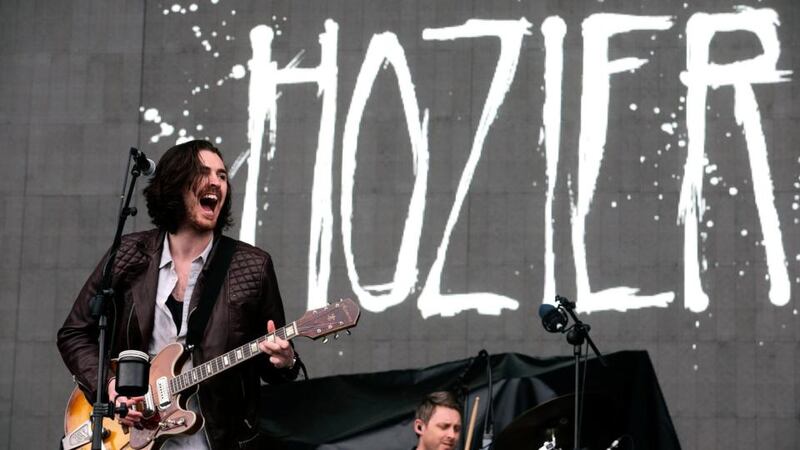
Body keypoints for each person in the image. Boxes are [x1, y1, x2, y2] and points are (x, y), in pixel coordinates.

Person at [57, 139, 300, 449]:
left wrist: (286, 360)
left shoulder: (251, 266)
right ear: (175, 184)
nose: (216, 181)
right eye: (203, 172)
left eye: (222, 175)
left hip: (212, 438)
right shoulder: (129, 254)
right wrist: (111, 387)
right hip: (129, 435)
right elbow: (74, 334)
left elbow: (273, 365)